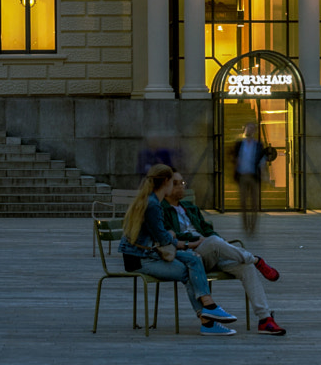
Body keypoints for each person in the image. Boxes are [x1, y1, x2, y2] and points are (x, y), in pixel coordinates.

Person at [120, 163, 239, 335]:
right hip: (139, 258)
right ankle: (208, 319)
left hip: (150, 253)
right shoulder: (153, 204)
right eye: (174, 183)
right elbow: (162, 238)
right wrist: (180, 240)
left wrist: (177, 240)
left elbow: (161, 236)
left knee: (194, 258)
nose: (178, 186)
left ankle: (209, 307)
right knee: (186, 271)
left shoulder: (153, 200)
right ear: (166, 182)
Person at [163, 171, 286, 336]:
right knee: (214, 242)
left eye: (182, 183)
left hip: (211, 251)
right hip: (191, 256)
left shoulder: (190, 208)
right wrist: (202, 240)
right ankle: (256, 260)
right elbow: (172, 236)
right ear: (166, 186)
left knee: (245, 267)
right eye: (176, 183)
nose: (180, 187)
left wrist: (211, 239)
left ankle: (264, 319)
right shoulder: (162, 210)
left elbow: (207, 229)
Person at [231, 127, 272, 237]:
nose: (249, 132)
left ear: (254, 132)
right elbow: (234, 158)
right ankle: (245, 226)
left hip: (254, 177)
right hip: (243, 176)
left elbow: (262, 161)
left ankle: (252, 227)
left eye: (251, 130)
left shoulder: (258, 145)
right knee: (243, 203)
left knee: (254, 203)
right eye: (247, 129)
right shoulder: (240, 144)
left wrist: (265, 176)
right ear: (244, 131)